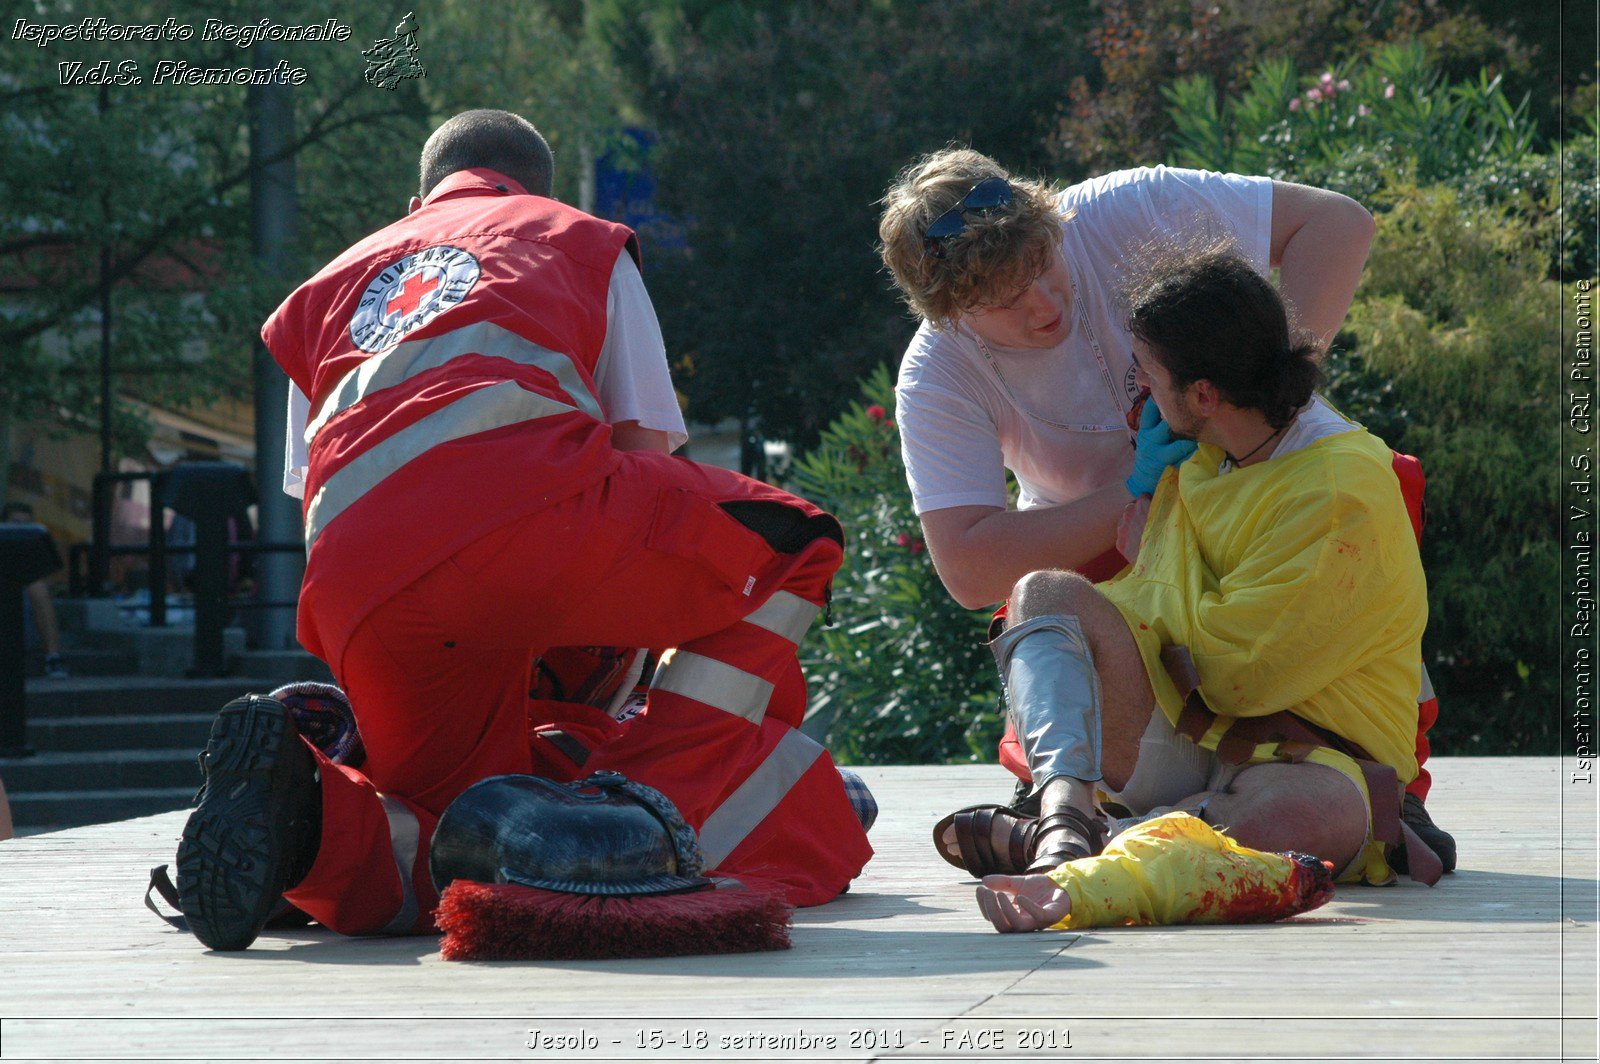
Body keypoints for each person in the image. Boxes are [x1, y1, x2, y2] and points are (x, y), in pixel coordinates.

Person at [174, 109, 871, 951]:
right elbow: (644, 455)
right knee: (797, 543)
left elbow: (319, 493)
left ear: (416, 201)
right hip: (528, 530)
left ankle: (310, 818)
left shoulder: (330, 286)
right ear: (533, 186)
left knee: (442, 840)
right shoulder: (576, 237)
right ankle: (633, 821)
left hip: (363, 590)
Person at [875, 148, 1453, 870]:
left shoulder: (1124, 207)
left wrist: (1261, 386)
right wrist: (1137, 490)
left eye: (1044, 269)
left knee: (1371, 499)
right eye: (1004, 302)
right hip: (1120, 541)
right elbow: (967, 569)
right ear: (952, 314)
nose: (1045, 307)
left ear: (1053, 222)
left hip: (1250, 479)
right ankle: (1072, 801)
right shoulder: (936, 375)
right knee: (1038, 602)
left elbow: (1338, 226)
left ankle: (1379, 780)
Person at [972, 245, 1435, 931]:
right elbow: (1154, 608)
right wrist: (1143, 524)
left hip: (1315, 758)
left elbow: (1238, 675)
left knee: (1313, 822)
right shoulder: (1209, 450)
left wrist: (1140, 594)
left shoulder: (1341, 490)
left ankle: (1091, 865)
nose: (1141, 394)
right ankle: (1066, 815)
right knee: (1042, 594)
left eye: (1150, 377)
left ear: (1204, 394)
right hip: (1196, 726)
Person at [2, 502, 67, 679]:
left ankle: (53, 658)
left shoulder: (37, 546)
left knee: (37, 587)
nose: (21, 528)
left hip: (25, 624)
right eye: (15, 523)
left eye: (26, 523)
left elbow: (54, 576)